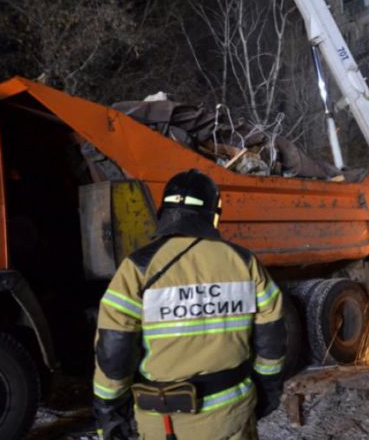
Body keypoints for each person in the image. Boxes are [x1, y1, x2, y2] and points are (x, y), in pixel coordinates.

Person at [92, 169, 285, 440]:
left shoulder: (137, 268)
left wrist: (109, 412)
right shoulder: (244, 262)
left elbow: (114, 351)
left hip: (165, 424)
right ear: (212, 212)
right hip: (233, 416)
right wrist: (268, 390)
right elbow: (272, 338)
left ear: (165, 210)